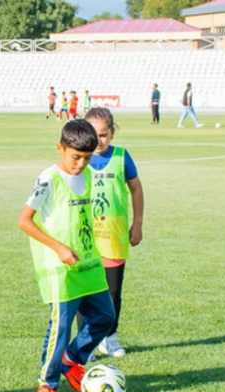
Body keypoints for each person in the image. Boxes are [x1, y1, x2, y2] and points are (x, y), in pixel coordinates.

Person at [17, 120, 116, 392]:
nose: (81, 164)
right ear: (60, 148)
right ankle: (47, 385)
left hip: (87, 262)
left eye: (87, 158)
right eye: (75, 157)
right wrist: (59, 247)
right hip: (60, 269)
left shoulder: (89, 175)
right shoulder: (49, 178)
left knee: (105, 318)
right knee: (59, 328)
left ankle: (71, 360)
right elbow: (24, 220)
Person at [78, 108, 144, 358]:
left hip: (114, 236)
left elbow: (136, 189)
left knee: (112, 292)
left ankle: (110, 337)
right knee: (84, 292)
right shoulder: (80, 158)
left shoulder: (121, 156)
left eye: (104, 135)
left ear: (112, 133)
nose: (99, 141)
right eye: (94, 135)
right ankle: (87, 341)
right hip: (85, 236)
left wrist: (137, 224)